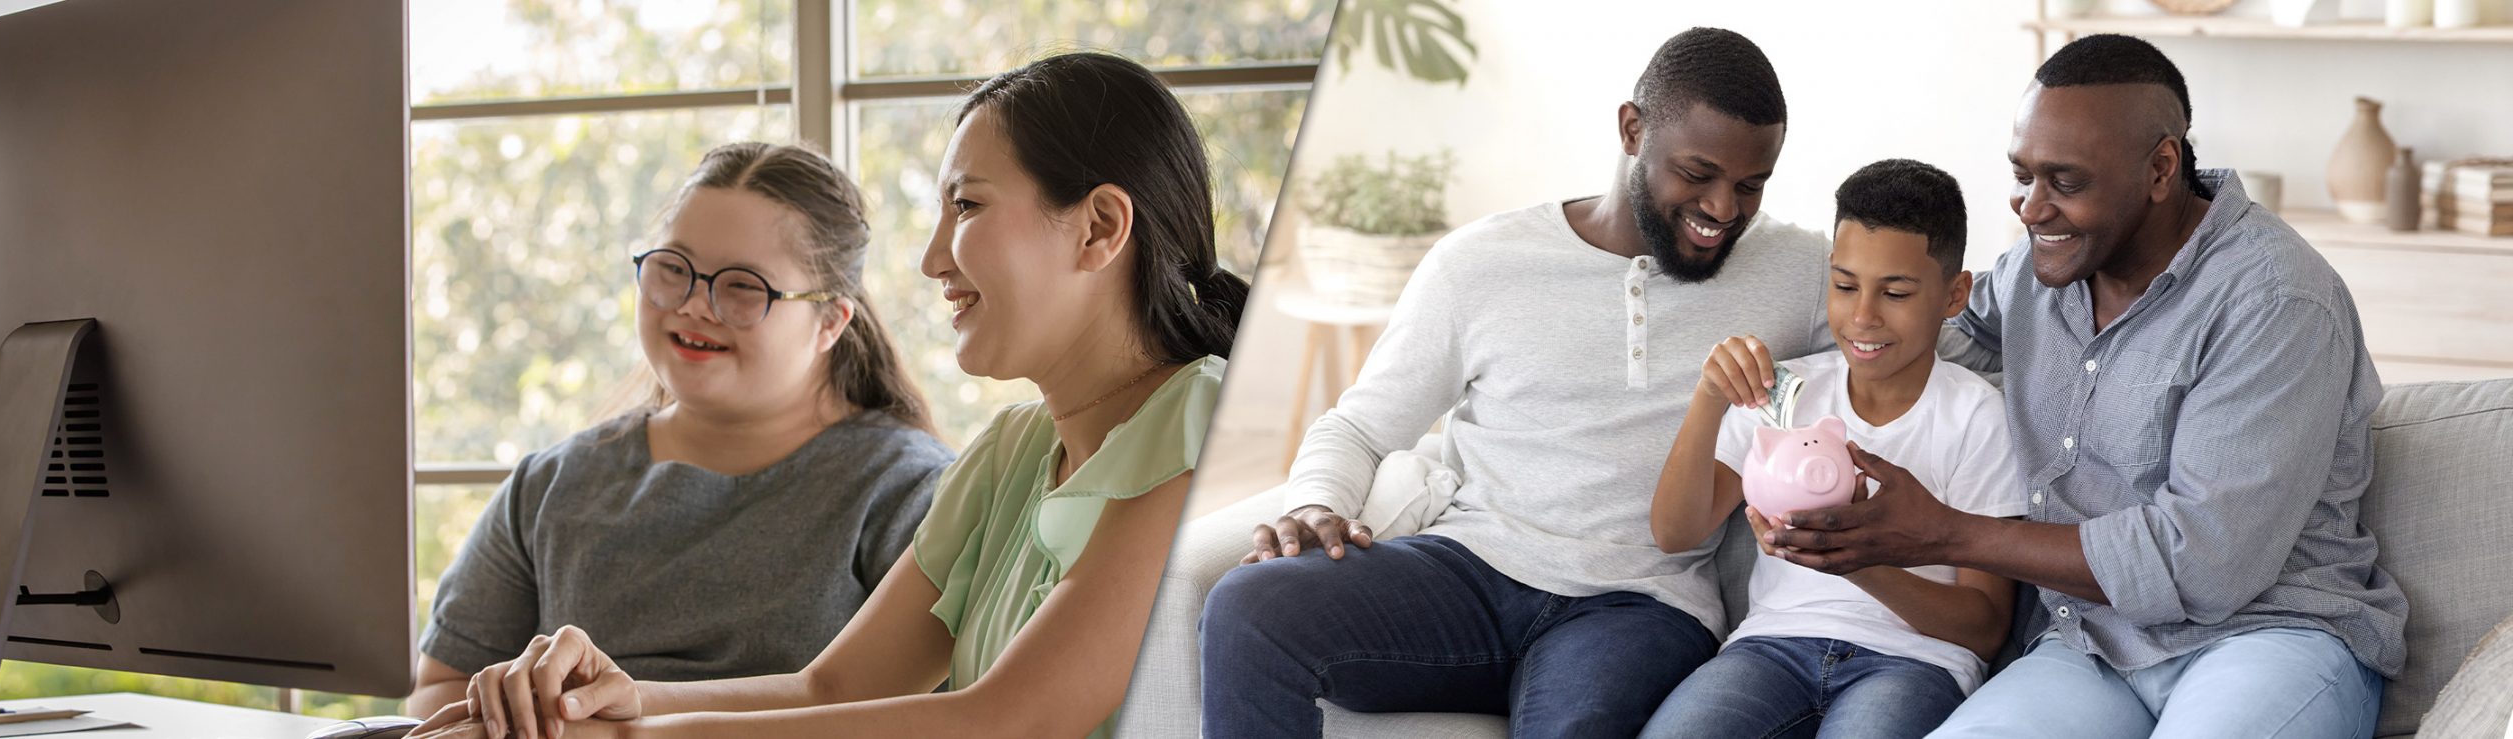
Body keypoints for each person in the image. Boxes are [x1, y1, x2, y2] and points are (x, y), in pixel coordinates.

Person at [412, 51, 1246, 739]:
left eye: (966, 205)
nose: (930, 260)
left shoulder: (1198, 417)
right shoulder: (1012, 451)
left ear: (1100, 227)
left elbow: (1004, 718)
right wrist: (624, 700)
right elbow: (828, 686)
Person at [1197, 27, 1836, 738]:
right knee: (1247, 606)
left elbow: (1919, 335)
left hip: (1641, 605)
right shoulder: (1481, 263)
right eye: (1698, 173)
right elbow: (1360, 426)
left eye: (1751, 185)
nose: (1723, 208)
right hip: (1471, 569)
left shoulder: (1803, 270)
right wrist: (1317, 504)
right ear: (1632, 129)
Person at [1761, 35, 2404, 738]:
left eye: (2065, 182)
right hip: (2088, 643)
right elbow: (1923, 336)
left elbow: (2206, 560)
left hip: (2266, 634)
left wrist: (1947, 534)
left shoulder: (2276, 300)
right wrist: (1762, 357)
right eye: (2022, 175)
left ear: (2160, 167)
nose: (2031, 208)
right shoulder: (2038, 271)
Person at [407, 142, 953, 718]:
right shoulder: (551, 484)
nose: (695, 305)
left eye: (742, 286)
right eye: (673, 269)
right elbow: (440, 690)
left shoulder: (908, 492)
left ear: (830, 322)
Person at [1640, 159, 2023, 739]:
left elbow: (1985, 628)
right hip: (1770, 650)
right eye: (1845, 286)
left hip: (1913, 663)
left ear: (1954, 295)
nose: (1863, 316)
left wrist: (1860, 560)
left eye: (1895, 292)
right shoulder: (1784, 393)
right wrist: (1709, 398)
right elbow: (1675, 532)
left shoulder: (1977, 418)